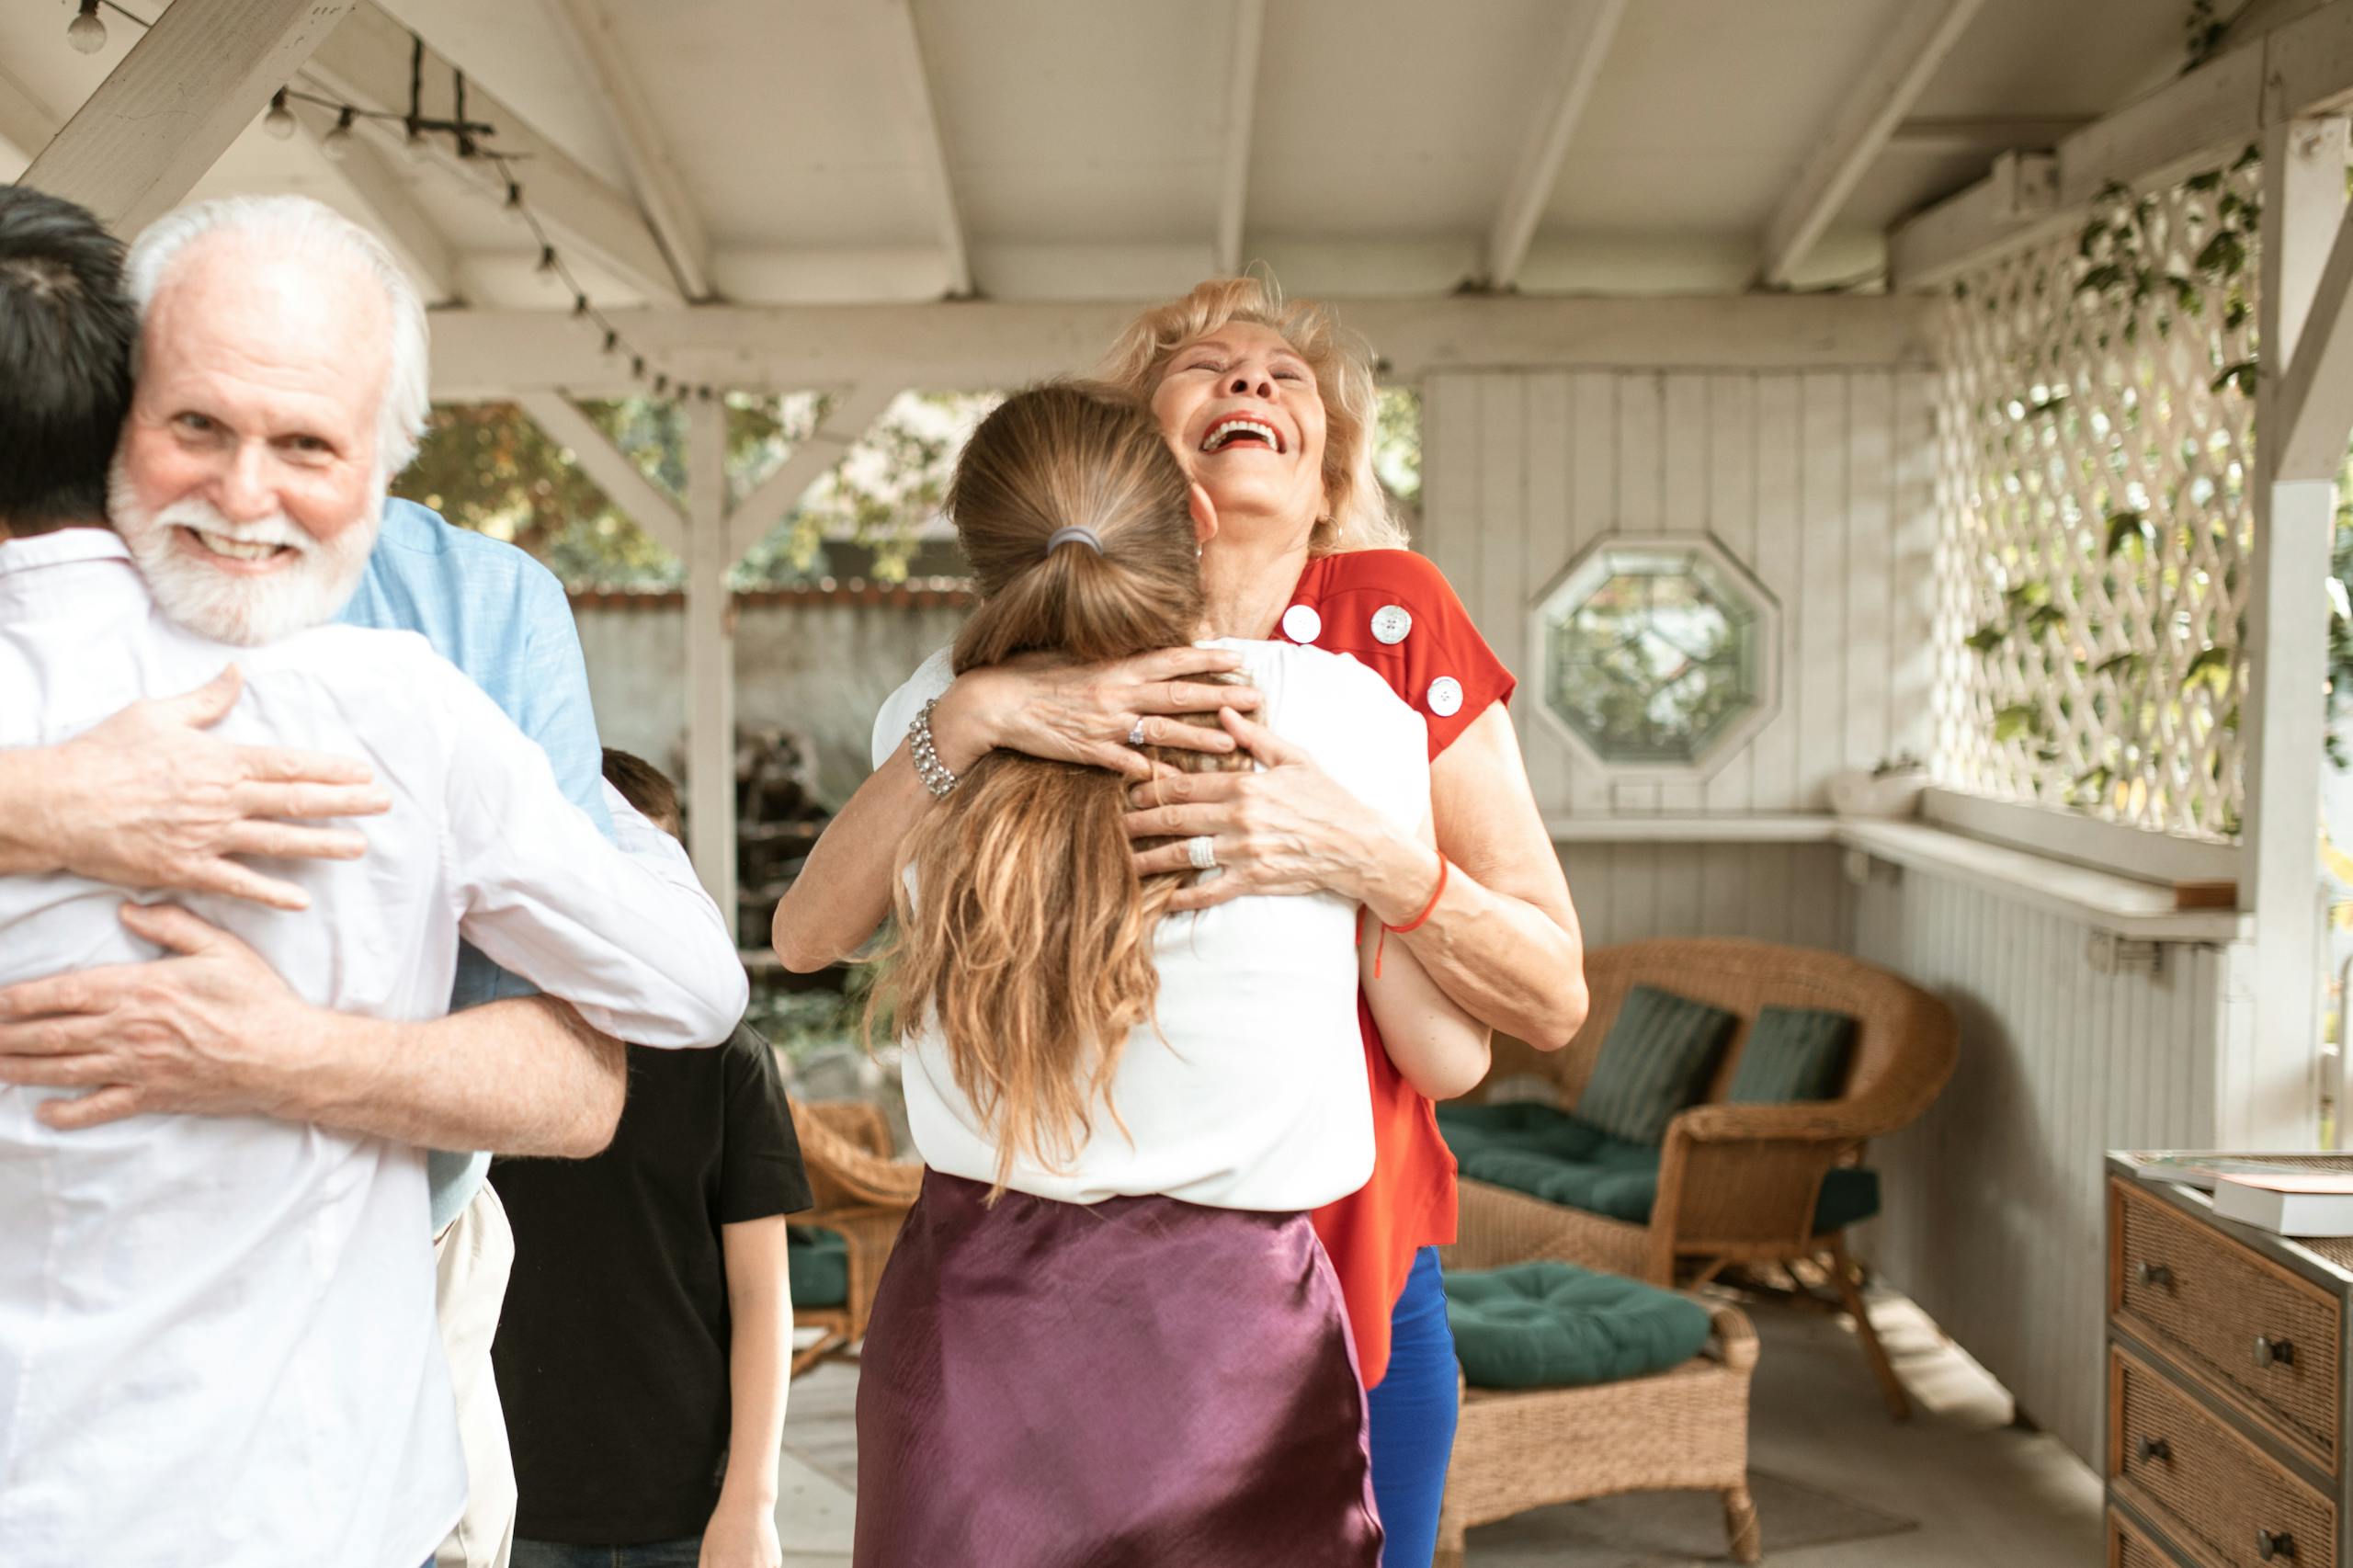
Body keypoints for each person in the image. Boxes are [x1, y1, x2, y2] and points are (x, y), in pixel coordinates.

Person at [773, 278, 1586, 1567]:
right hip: (1241, 1298)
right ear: (1151, 478)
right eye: (1208, 365)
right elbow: (1458, 1055)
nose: (1254, 382)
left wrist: (1362, 855)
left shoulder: (1381, 638)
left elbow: (802, 933)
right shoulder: (1330, 716)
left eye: (1288, 376)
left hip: (1255, 1266)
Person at [0, 187, 748, 1566]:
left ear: (389, 460)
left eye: (306, 444)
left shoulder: (457, 634)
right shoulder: (391, 705)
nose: (242, 495)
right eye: (195, 426)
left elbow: (600, 1072)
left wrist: (285, 1054)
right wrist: (43, 801)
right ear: (116, 400)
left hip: (362, 1370)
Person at [494, 749, 813, 1568]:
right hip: (512, 1496)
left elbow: (761, 1296)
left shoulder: (727, 1060)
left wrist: (751, 1500)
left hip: (690, 1504)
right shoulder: (485, 1049)